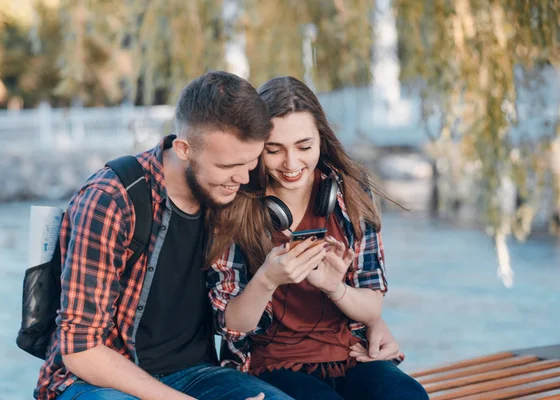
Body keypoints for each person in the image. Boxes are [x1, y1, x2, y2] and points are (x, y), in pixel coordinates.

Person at [34, 71, 293, 400]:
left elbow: (232, 321)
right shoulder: (111, 198)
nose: (241, 178)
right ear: (184, 149)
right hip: (95, 381)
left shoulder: (228, 196)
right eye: (229, 166)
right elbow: (81, 349)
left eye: (250, 163)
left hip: (196, 374)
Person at [207, 76, 429, 400]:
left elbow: (372, 307)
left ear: (321, 140)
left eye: (304, 146)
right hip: (269, 366)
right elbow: (231, 324)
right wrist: (267, 279)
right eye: (274, 150)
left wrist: (336, 288)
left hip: (350, 355)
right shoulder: (236, 206)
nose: (292, 164)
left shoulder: (351, 193)